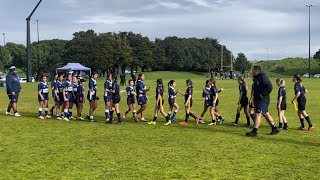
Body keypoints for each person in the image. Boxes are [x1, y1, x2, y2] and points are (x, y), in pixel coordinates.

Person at [246, 66, 279, 137]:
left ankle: (255, 131)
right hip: (258, 100)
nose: (252, 72)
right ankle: (274, 128)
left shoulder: (263, 77)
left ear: (256, 71)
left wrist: (263, 94)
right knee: (266, 114)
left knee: (258, 113)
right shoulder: (257, 78)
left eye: (253, 71)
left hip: (263, 100)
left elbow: (270, 87)